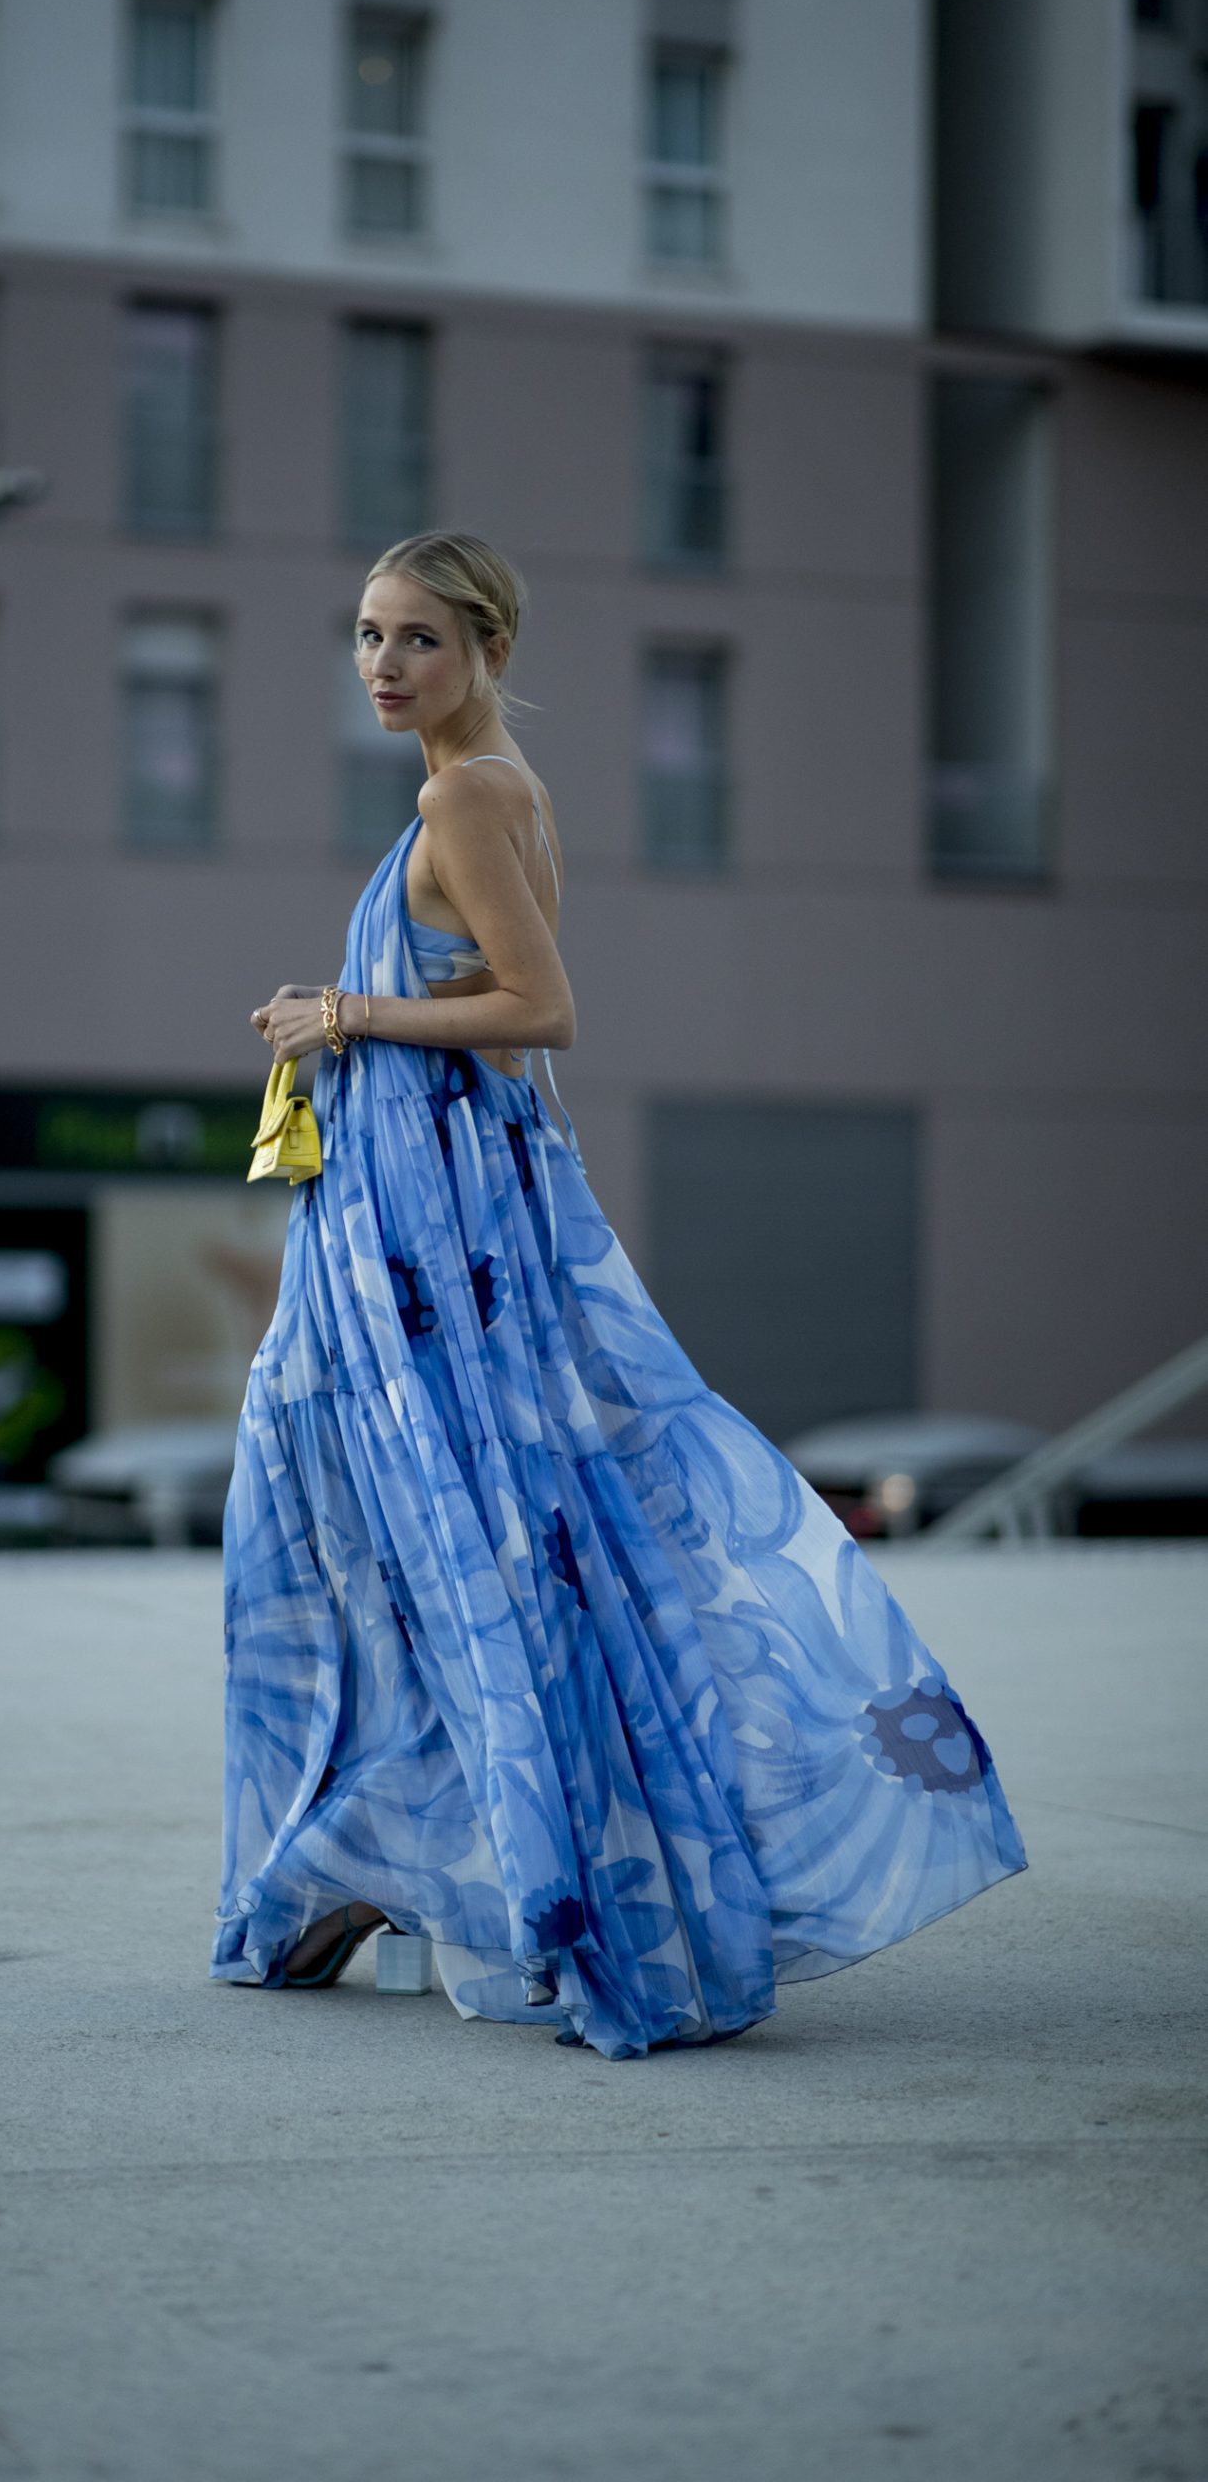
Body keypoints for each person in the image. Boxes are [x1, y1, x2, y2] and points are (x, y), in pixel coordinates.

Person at [212, 529, 1026, 2060]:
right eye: (370, 637)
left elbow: (543, 1012)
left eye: (420, 641)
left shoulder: (469, 795)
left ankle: (447, 1865)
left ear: (493, 652)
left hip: (449, 1236)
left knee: (442, 1534)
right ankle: (396, 1857)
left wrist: (343, 1011)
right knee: (434, 1527)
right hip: (430, 1219)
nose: (384, 666)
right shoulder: (481, 794)